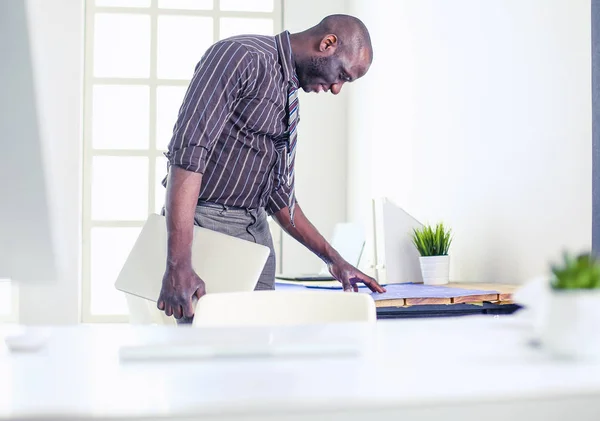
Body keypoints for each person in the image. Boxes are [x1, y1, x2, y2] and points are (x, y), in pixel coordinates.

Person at [157, 14, 386, 322]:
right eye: (342, 75)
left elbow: (279, 197)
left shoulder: (288, 98)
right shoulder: (240, 57)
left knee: (258, 359)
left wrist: (335, 261)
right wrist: (179, 265)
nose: (336, 89)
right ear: (327, 43)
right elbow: (187, 157)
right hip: (209, 228)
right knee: (206, 357)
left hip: (256, 236)